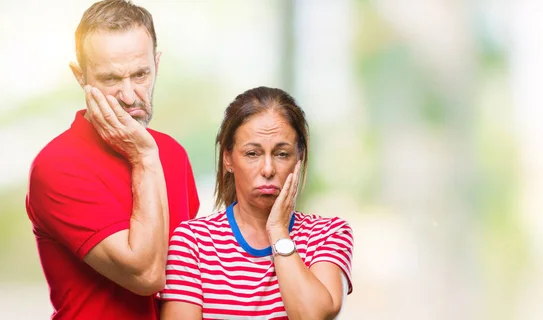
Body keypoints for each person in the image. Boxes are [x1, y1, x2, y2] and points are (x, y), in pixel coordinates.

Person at [25, 1, 200, 319]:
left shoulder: (173, 154)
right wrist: (145, 158)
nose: (130, 96)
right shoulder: (56, 166)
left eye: (141, 74)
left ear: (156, 65)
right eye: (110, 79)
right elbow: (147, 276)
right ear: (81, 77)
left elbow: (184, 281)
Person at [159, 86, 354, 319]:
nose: (268, 169)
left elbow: (313, 316)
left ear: (299, 158)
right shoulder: (194, 242)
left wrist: (279, 231)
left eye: (282, 154)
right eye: (252, 153)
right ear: (228, 158)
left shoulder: (328, 234)